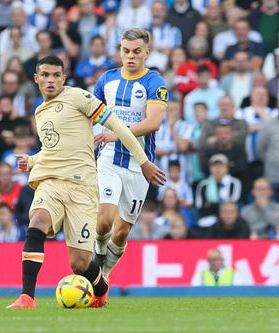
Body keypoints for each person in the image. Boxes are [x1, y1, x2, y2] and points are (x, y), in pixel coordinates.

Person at [7, 55, 165, 309]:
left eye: (56, 75)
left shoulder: (80, 97)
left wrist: (143, 161)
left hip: (82, 188)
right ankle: (27, 297)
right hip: (51, 182)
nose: (50, 80)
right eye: (45, 75)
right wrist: (33, 160)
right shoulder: (40, 111)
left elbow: (119, 127)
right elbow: (54, 149)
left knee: (80, 263)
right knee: (37, 221)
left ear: (63, 78)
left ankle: (101, 288)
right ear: (36, 79)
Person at [90, 28, 168, 277]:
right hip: (109, 158)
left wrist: (118, 132)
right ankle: (96, 263)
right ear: (120, 51)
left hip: (138, 165)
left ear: (147, 52)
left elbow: (153, 122)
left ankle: (104, 275)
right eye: (125, 51)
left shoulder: (154, 82)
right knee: (104, 220)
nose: (130, 56)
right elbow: (92, 117)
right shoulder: (106, 80)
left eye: (136, 51)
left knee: (121, 232)